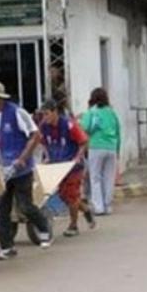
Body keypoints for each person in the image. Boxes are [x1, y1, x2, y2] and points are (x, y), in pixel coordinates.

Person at [0, 81, 51, 259]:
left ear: (0, 99)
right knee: (1, 209)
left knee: (25, 206)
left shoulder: (16, 112)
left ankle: (43, 228)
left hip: (20, 168)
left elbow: (35, 135)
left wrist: (23, 158)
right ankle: (7, 247)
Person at [39, 100, 95, 237]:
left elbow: (84, 141)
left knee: (71, 194)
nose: (45, 117)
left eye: (47, 114)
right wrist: (46, 156)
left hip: (73, 166)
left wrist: (77, 157)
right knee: (64, 195)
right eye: (43, 115)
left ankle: (73, 225)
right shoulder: (44, 126)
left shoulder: (69, 125)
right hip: (57, 166)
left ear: (55, 112)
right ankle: (86, 209)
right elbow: (42, 142)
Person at [81, 88, 121, 216]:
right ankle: (108, 205)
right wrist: (118, 149)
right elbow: (118, 131)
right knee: (109, 178)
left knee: (95, 177)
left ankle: (98, 207)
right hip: (112, 147)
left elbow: (83, 128)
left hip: (96, 147)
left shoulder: (91, 112)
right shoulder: (112, 113)